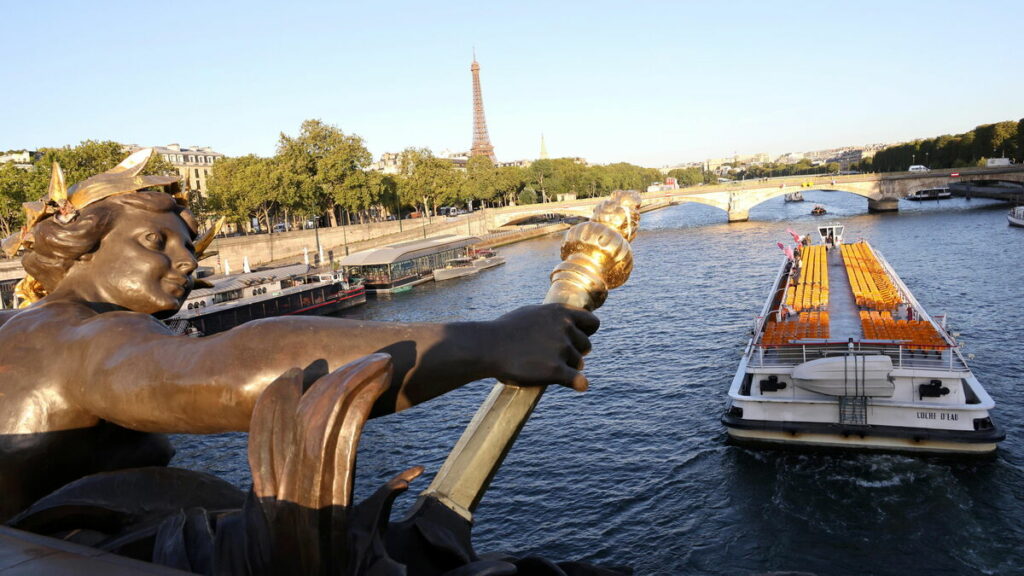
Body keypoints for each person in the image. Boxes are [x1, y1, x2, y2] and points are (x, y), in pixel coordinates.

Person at [0, 157, 598, 521]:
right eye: (155, 243)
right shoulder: (78, 336)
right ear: (78, 245)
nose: (184, 262)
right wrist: (493, 342)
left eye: (188, 247)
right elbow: (237, 374)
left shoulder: (22, 333)